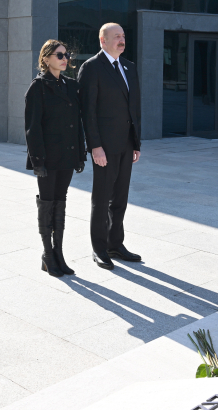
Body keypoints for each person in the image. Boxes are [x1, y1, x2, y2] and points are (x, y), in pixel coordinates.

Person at [78, 23, 142, 270]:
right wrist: (95, 146)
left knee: (120, 198)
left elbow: (134, 107)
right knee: (102, 198)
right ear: (102, 41)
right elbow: (88, 111)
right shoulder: (92, 67)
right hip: (104, 146)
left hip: (126, 144)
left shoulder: (129, 67)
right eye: (116, 37)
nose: (122, 40)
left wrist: (136, 142)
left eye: (124, 36)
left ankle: (116, 244)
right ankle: (99, 248)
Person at [24, 40, 85, 277]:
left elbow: (77, 123)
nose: (64, 58)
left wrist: (80, 154)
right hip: (48, 157)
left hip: (68, 155)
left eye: (66, 55)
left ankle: (58, 253)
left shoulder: (71, 86)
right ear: (46, 58)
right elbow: (32, 127)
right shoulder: (38, 87)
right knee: (48, 202)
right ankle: (48, 254)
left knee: (61, 202)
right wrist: (37, 160)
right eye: (59, 55)